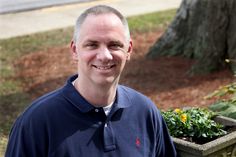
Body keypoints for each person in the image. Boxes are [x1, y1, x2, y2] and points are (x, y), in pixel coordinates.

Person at [5, 5, 177, 157]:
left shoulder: (145, 112)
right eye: (92, 45)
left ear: (128, 49)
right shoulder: (36, 122)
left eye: (114, 45)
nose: (104, 56)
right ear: (74, 50)